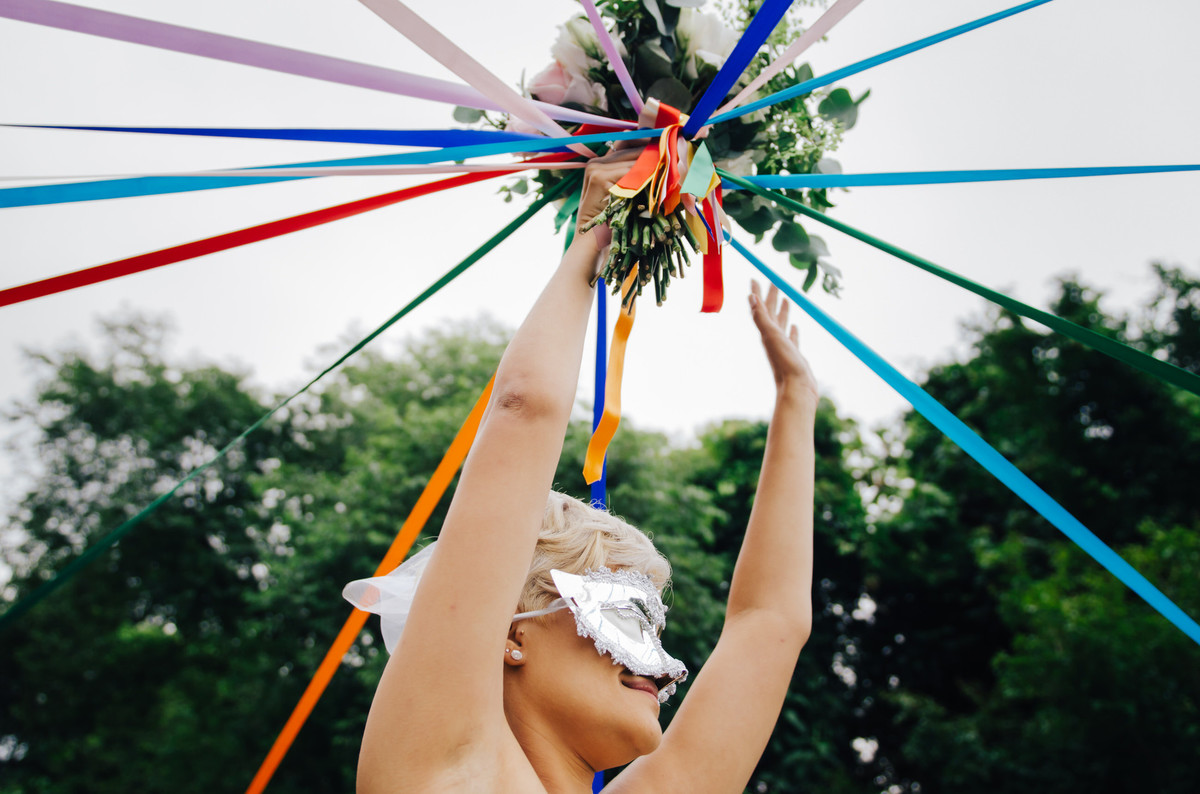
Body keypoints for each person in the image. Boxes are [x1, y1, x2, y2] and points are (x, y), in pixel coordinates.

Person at [344, 113, 818, 793]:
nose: (661, 665)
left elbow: (768, 624)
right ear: (510, 634)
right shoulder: (443, 770)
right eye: (623, 611)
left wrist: (797, 401)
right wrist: (593, 240)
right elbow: (522, 411)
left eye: (652, 623)